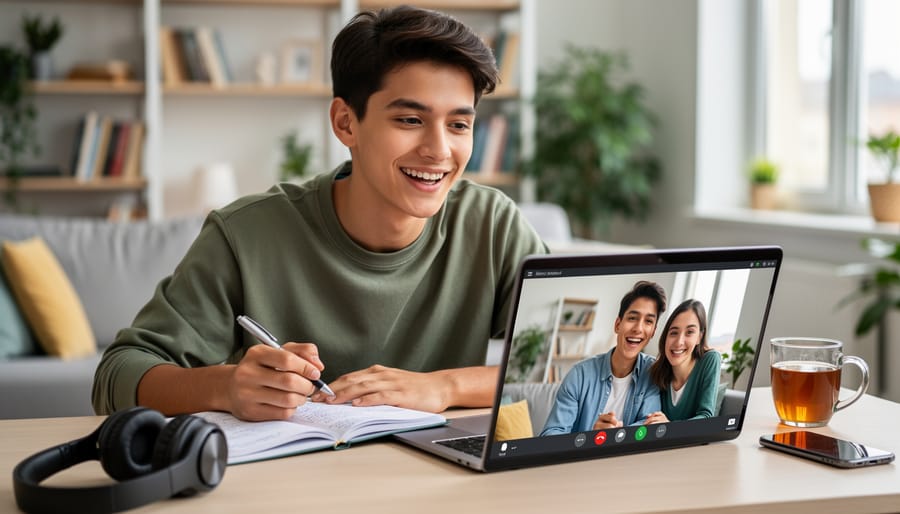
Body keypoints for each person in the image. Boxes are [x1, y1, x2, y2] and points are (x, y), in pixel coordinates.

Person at [92, 5, 547, 421]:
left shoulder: (492, 225)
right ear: (346, 123)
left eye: (459, 125)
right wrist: (225, 386)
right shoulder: (246, 234)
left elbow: (581, 362)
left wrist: (443, 386)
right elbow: (117, 375)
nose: (439, 150)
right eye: (410, 120)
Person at [540, 281, 667, 436]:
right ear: (618, 325)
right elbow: (550, 434)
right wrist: (592, 437)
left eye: (648, 321)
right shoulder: (579, 375)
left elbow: (649, 427)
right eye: (633, 318)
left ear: (653, 332)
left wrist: (615, 436)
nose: (638, 329)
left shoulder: (652, 372)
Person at [645, 299, 721, 422]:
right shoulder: (657, 370)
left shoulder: (710, 359)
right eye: (674, 333)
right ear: (666, 337)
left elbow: (706, 417)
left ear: (699, 338)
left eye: (689, 332)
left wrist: (669, 427)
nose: (679, 342)